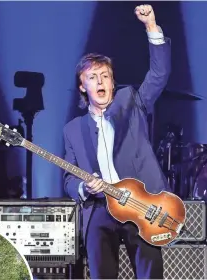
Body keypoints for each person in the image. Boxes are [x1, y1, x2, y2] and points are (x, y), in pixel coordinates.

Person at [63, 4, 171, 279]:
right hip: (100, 208)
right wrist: (84, 187)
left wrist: (151, 26)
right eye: (92, 77)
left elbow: (158, 75)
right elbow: (67, 178)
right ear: (82, 86)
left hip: (140, 203)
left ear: (112, 82)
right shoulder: (73, 129)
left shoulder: (131, 102)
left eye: (105, 76)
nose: (100, 82)